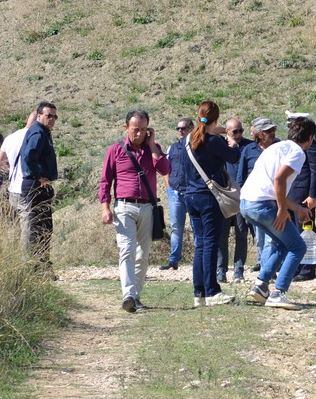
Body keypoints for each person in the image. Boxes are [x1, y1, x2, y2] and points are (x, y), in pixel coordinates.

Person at [240, 117, 316, 309]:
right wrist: (283, 210)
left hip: (246, 204)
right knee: (298, 247)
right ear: (309, 138)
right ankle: (278, 293)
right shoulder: (298, 153)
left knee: (282, 243)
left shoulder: (276, 147)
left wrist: (298, 209)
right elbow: (279, 180)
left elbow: (272, 185)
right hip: (263, 204)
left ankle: (260, 286)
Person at [99, 111, 171, 313]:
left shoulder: (152, 149)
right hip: (124, 207)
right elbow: (105, 181)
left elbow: (165, 169)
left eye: (143, 129)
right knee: (127, 250)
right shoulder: (115, 150)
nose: (139, 133)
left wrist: (152, 145)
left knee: (143, 255)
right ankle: (128, 295)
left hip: (148, 207)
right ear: (126, 128)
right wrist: (105, 207)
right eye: (135, 129)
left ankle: (136, 296)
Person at [182, 101, 240, 307]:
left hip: (191, 196)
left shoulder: (188, 139)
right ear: (215, 119)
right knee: (211, 244)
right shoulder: (214, 141)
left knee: (201, 244)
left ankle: (199, 293)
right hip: (209, 198)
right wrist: (231, 141)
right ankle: (212, 291)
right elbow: (233, 157)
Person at [235, 117, 279, 276]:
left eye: (273, 130)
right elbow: (241, 177)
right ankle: (264, 265)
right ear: (259, 134)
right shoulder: (248, 150)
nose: (272, 133)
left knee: (272, 238)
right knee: (260, 238)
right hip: (256, 201)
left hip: (276, 199)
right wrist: (241, 199)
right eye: (268, 131)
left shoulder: (279, 146)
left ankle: (268, 269)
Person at [19, 102, 58, 270]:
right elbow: (29, 155)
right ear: (39, 115)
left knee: (44, 226)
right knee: (38, 227)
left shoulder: (42, 132)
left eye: (54, 117)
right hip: (35, 185)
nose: (52, 119)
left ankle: (42, 265)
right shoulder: (38, 132)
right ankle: (35, 267)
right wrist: (37, 176)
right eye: (48, 116)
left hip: (36, 185)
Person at [286, 111, 316, 281]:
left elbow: (315, 169)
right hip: (293, 191)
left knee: (306, 229)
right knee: (294, 231)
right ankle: (297, 266)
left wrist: (313, 195)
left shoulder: (312, 141)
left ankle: (308, 269)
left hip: (303, 192)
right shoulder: (293, 142)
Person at [216, 117, 252, 282]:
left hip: (242, 196)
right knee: (222, 236)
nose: (238, 135)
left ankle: (238, 271)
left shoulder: (249, 146)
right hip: (224, 196)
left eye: (240, 131)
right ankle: (220, 271)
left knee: (241, 234)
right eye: (234, 131)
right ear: (227, 132)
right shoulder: (220, 146)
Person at [159, 118, 194, 271]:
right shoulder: (172, 148)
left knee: (196, 227)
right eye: (178, 128)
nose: (180, 131)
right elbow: (165, 168)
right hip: (175, 192)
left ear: (191, 129)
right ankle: (174, 260)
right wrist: (168, 187)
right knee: (176, 228)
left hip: (193, 192)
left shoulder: (197, 146)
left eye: (183, 128)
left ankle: (200, 259)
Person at [0, 111, 37, 220]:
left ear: (26, 118)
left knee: (16, 223)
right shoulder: (36, 137)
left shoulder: (10, 137)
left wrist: (12, 171)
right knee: (28, 224)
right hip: (28, 189)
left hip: (13, 188)